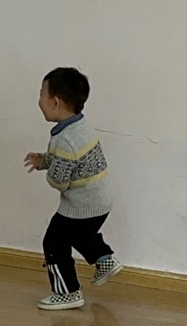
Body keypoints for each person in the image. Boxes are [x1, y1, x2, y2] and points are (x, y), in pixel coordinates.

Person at [22, 67, 120, 311]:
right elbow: (69, 160)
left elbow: (60, 180)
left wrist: (49, 173)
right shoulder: (79, 127)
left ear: (55, 102)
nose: (39, 101)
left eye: (41, 94)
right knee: (79, 235)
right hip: (99, 199)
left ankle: (67, 292)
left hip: (82, 203)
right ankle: (104, 259)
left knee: (54, 242)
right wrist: (43, 160)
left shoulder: (65, 139)